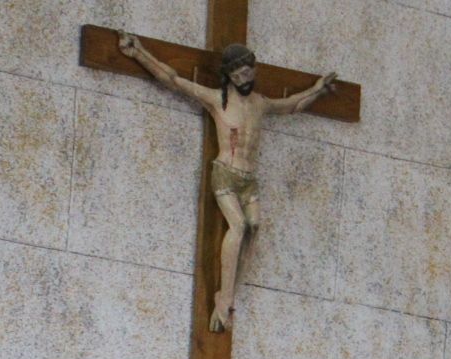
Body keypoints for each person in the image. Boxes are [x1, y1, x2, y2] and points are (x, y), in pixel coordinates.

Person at [119, 33, 338, 333]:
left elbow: (291, 106)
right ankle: (225, 301)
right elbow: (173, 80)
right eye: (239, 74)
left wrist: (317, 90)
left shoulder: (260, 104)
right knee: (238, 226)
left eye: (249, 72)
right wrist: (139, 53)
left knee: (255, 227)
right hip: (226, 173)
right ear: (230, 77)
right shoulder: (216, 100)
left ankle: (229, 292)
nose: (245, 78)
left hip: (249, 179)